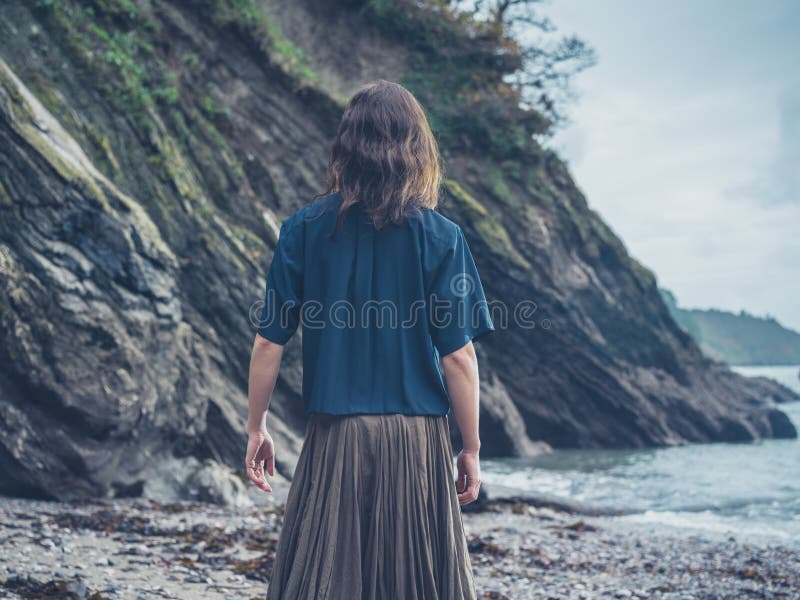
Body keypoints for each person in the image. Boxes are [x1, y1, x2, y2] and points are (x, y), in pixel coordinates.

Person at [246, 79, 494, 600]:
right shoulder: (442, 237)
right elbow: (459, 356)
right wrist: (470, 448)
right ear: (416, 147)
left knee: (325, 582)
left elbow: (270, 342)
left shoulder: (303, 228)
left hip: (336, 435)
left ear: (347, 147)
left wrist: (256, 426)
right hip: (416, 439)